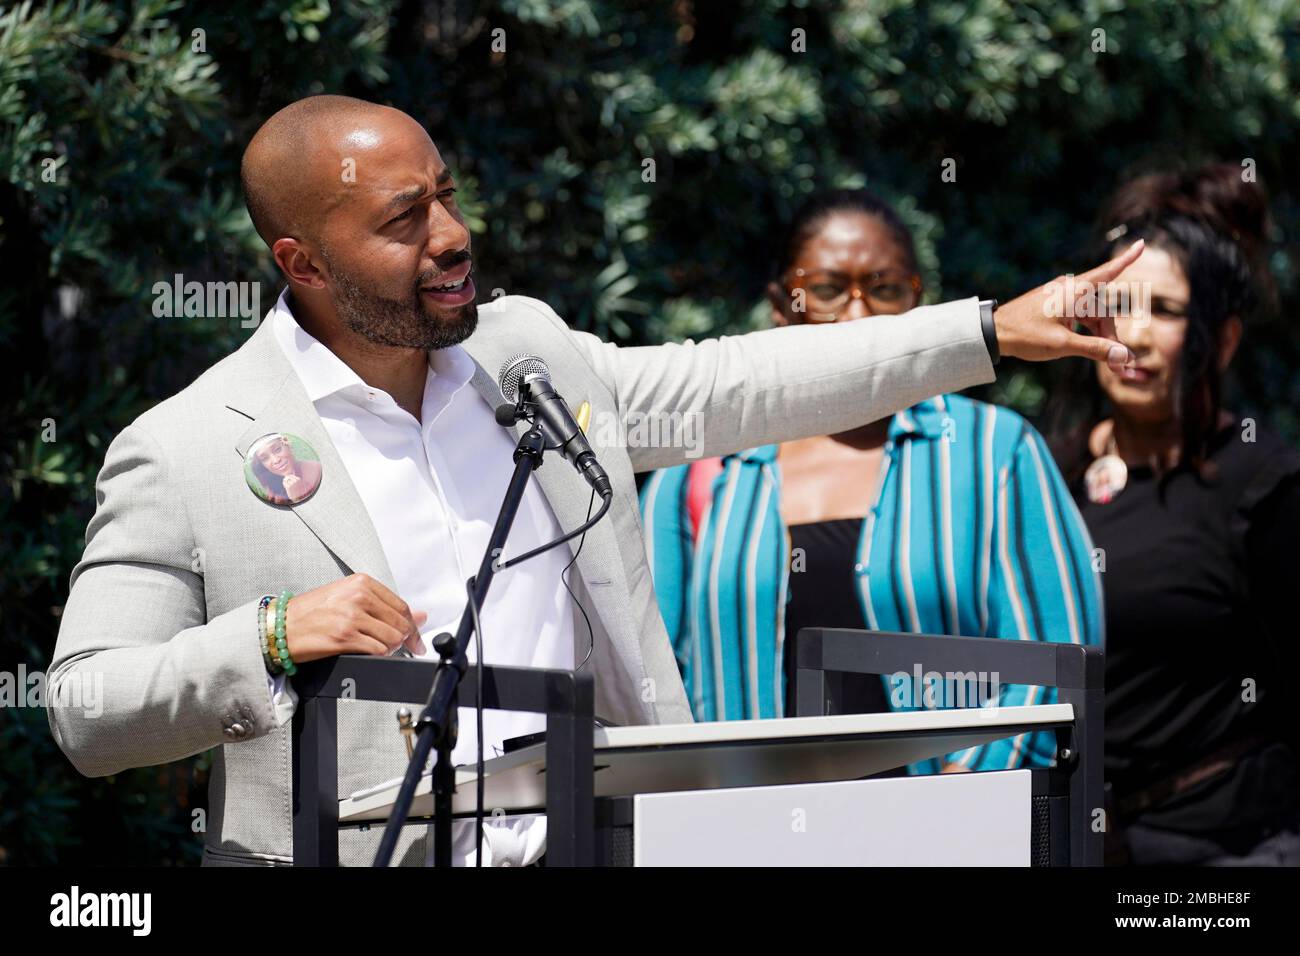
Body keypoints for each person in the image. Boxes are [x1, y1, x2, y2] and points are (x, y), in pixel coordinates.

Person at [47, 94, 1140, 867]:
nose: (453, 235)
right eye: (401, 220)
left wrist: (988, 330)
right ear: (301, 263)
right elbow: (87, 707)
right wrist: (274, 635)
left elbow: (738, 383)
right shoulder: (187, 446)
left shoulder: (525, 354)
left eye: (445, 195)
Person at [640, 189, 1103, 776]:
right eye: (829, 289)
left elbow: (1056, 667)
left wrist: (963, 795)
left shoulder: (994, 453)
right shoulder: (698, 475)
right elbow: (645, 686)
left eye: (884, 290)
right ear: (783, 306)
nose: (858, 315)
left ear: (919, 306)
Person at [1049, 163, 1300, 865]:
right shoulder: (1043, 474)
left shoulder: (1262, 483)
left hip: (1226, 848)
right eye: (1119, 304)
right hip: (1073, 843)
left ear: (1221, 339)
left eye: (1165, 311)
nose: (1133, 334)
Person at [249, 433, 323, 504]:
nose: (276, 460)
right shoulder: (270, 487)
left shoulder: (315, 469)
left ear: (288, 445)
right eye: (265, 458)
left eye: (278, 449)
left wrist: (297, 495)